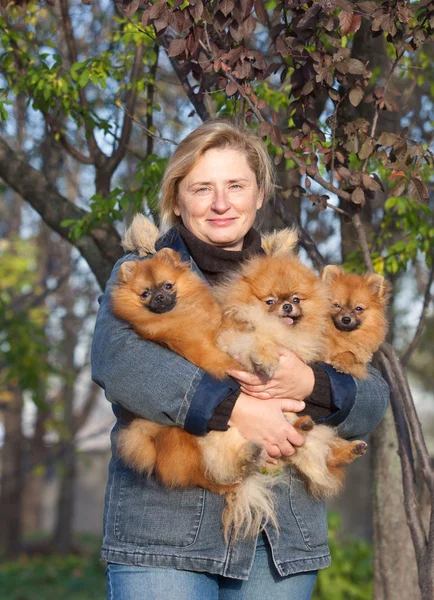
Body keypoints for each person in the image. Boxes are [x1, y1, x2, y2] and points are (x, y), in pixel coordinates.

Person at [91, 120, 389, 600]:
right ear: (176, 198)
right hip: (165, 540)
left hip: (277, 544)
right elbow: (118, 362)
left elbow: (373, 397)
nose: (221, 202)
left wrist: (309, 382)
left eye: (235, 186)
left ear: (258, 195)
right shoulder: (141, 274)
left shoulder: (299, 280)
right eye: (202, 188)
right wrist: (235, 407)